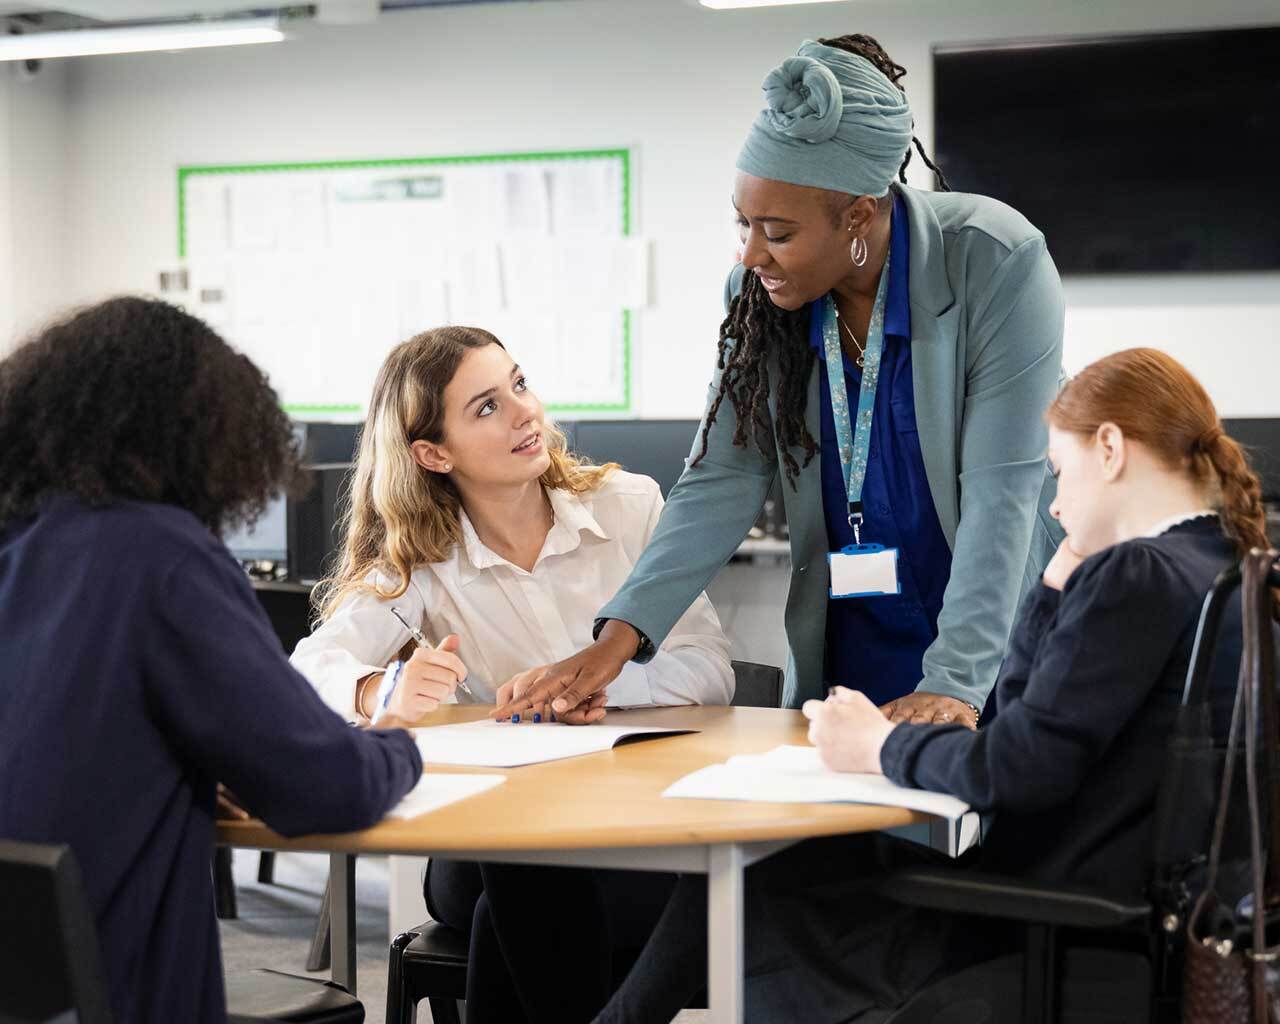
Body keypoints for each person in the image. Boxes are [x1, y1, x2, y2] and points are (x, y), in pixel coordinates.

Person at [577, 347, 1262, 1023]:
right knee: (794, 868)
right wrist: (1055, 587)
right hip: (1122, 918)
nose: (1054, 507)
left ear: (1109, 448)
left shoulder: (1137, 575)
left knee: (757, 879)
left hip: (1038, 922)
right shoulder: (1225, 566)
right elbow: (1027, 729)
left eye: (1058, 473)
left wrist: (875, 746)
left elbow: (1013, 766)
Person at [495, 33, 1065, 733]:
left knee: (992, 829)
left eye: (778, 232)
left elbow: (1002, 491)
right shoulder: (761, 295)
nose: (751, 252)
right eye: (743, 223)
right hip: (856, 632)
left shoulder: (994, 259)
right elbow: (721, 476)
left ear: (858, 213)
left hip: (990, 635)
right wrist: (617, 641)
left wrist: (955, 682)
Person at [0, 297, 424, 1024]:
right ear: (206, 435)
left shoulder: (20, 542)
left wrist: (189, 769)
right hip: (113, 989)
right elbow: (326, 787)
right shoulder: (161, 557)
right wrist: (399, 743)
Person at [288, 324, 733, 1014]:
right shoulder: (423, 561)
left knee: (522, 906)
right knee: (527, 865)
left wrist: (607, 681)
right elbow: (307, 667)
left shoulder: (629, 509)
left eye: (518, 383)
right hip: (486, 840)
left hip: (625, 827)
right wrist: (382, 688)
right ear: (434, 453)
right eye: (487, 406)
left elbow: (710, 667)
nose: (526, 411)